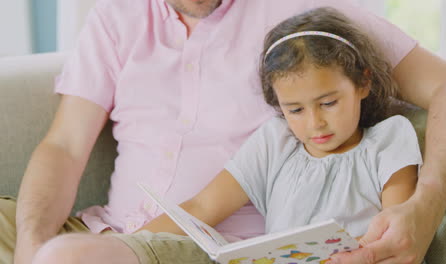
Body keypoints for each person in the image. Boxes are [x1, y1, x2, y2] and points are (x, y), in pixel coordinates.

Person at [0, 0, 446, 263]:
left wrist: (424, 209)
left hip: (205, 249)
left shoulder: (306, 17)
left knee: (66, 260)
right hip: (100, 228)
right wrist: (30, 243)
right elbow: (64, 146)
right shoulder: (115, 16)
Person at [127, 8, 424, 264]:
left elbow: (394, 230)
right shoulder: (275, 140)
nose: (315, 123)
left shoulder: (388, 140)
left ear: (363, 83)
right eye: (295, 110)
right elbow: (202, 207)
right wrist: (129, 245)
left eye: (329, 103)